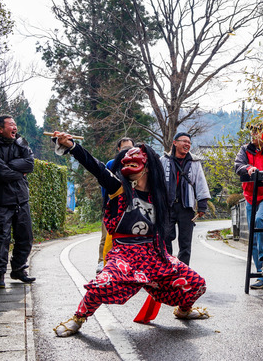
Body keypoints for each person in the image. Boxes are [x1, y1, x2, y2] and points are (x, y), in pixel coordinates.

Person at [51, 132, 208, 337]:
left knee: (197, 283)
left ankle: (183, 310)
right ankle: (78, 317)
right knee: (101, 285)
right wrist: (72, 146)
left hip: (154, 256)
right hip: (125, 255)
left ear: (147, 168)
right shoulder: (118, 188)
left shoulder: (159, 195)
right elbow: (96, 167)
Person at [0, 115, 36, 288]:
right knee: (1, 238)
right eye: (11, 125)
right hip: (0, 199)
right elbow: (0, 173)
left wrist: (9, 165)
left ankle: (19, 269)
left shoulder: (21, 143)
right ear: (0, 129)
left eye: (15, 124)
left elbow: (30, 164)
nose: (15, 127)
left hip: (21, 198)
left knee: (26, 236)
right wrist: (18, 172)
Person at [234, 121, 263, 290]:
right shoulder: (245, 150)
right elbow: (238, 166)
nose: (255, 135)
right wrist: (248, 168)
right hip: (251, 197)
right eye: (253, 132)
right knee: (253, 237)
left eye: (259, 132)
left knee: (260, 220)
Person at [160, 132, 211, 265]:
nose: (187, 144)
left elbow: (200, 182)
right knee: (165, 239)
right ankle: (167, 269)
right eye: (184, 141)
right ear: (175, 143)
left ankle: (183, 273)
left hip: (186, 206)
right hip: (167, 206)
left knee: (185, 242)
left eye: (189, 142)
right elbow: (157, 184)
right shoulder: (163, 160)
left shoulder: (194, 162)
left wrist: (202, 206)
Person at [96, 137, 135, 273]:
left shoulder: (136, 164)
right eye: (124, 148)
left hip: (131, 208)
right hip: (112, 206)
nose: (127, 151)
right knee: (106, 236)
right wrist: (107, 202)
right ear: (118, 149)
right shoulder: (111, 164)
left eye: (130, 148)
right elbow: (104, 187)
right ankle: (102, 261)